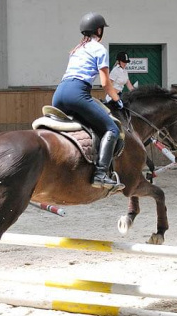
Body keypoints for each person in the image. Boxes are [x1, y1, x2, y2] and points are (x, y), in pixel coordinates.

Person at [52, 12, 125, 191]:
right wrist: (117, 99)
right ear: (99, 30)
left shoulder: (76, 50)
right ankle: (100, 174)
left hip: (59, 94)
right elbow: (106, 84)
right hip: (77, 93)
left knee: (84, 125)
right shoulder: (99, 49)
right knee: (112, 129)